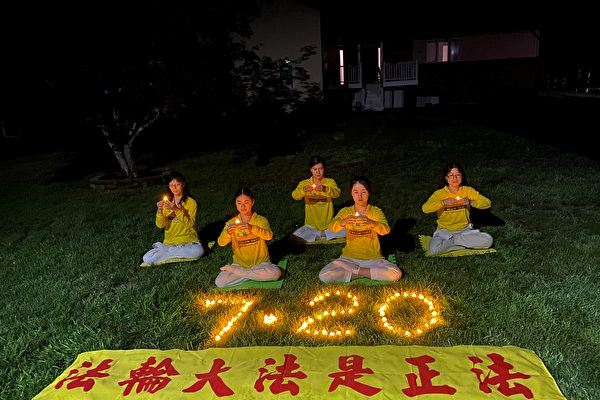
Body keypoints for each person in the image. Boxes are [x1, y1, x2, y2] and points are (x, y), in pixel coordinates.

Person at [319, 176, 402, 283]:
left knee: (395, 274)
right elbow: (332, 227)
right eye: (356, 192)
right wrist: (344, 221)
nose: (360, 196)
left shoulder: (375, 211)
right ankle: (369, 274)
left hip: (373, 259)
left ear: (369, 193)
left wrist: (371, 222)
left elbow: (386, 230)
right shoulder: (346, 212)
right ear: (351, 193)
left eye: (363, 192)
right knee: (324, 275)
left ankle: (356, 271)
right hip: (349, 259)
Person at [215, 187, 282, 288]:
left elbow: (269, 236)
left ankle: (241, 273)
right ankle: (255, 275)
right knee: (220, 282)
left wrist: (252, 228)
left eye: (246, 202)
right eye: (239, 203)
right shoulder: (231, 223)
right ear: (235, 203)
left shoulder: (260, 220)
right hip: (239, 264)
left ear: (252, 202)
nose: (242, 206)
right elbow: (221, 243)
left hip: (261, 264)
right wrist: (228, 233)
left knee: (276, 273)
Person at [422, 162, 494, 255]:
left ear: (462, 176)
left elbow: (487, 203)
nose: (455, 178)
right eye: (451, 175)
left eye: (458, 175)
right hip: (444, 232)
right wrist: (443, 202)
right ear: (446, 178)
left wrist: (471, 202)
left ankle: (454, 242)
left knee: (488, 240)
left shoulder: (467, 191)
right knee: (434, 250)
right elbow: (425, 208)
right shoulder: (440, 194)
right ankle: (463, 244)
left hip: (464, 230)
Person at [142, 171, 204, 265]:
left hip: (189, 242)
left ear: (183, 184)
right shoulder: (166, 203)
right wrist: (159, 210)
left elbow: (190, 224)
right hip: (170, 243)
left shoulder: (191, 202)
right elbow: (160, 225)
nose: (174, 188)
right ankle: (175, 252)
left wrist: (176, 210)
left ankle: (169, 253)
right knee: (147, 258)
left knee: (198, 252)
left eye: (177, 184)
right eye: (171, 185)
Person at [291, 155, 345, 242]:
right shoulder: (304, 184)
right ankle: (321, 236)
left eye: (320, 169)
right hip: (311, 226)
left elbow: (337, 193)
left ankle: (320, 235)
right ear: (311, 170)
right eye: (315, 169)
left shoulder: (329, 182)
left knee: (346, 229)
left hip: (329, 225)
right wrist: (303, 190)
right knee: (295, 235)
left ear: (324, 169)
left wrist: (325, 189)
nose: (318, 172)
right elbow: (294, 196)